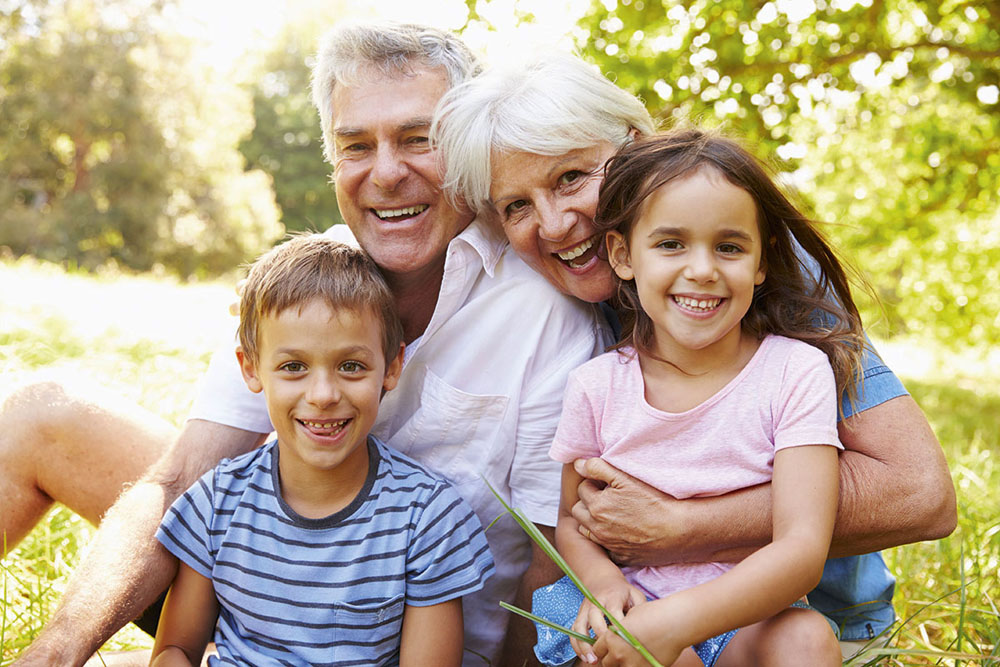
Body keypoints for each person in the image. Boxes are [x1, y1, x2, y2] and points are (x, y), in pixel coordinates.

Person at [7, 23, 606, 667]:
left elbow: (546, 566)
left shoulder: (543, 309)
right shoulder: (307, 283)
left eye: (417, 139)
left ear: (465, 148)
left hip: (428, 642)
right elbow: (181, 479)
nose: (386, 173)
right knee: (46, 411)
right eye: (355, 145)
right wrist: (58, 652)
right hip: (272, 603)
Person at [432, 53, 956, 656]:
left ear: (635, 151)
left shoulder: (740, 278)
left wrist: (684, 528)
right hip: (639, 608)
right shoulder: (567, 316)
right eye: (516, 206)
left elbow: (921, 492)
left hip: (798, 621)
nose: (553, 225)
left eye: (572, 177)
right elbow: (566, 527)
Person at [533, 128, 865, 667]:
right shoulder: (596, 385)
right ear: (622, 255)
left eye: (729, 247)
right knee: (648, 654)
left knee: (806, 640)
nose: (703, 269)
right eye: (670, 244)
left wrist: (680, 622)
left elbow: (802, 550)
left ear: (761, 262)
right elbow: (573, 519)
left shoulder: (793, 372)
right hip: (634, 601)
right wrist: (603, 583)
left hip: (744, 611)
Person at [150, 234, 494, 666]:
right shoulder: (217, 503)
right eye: (293, 367)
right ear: (251, 368)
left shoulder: (427, 519)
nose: (323, 394)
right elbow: (174, 649)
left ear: (391, 367)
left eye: (351, 366)